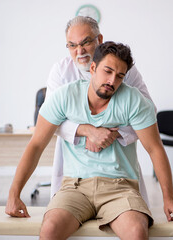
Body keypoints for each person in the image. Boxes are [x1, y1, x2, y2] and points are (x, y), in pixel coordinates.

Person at [6, 42, 173, 240]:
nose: (112, 81)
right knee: (49, 230)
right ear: (92, 68)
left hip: (120, 187)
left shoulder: (133, 100)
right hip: (75, 187)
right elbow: (36, 145)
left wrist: (170, 199)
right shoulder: (64, 96)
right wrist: (14, 195)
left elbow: (154, 149)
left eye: (120, 76)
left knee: (136, 232)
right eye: (107, 71)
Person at [47, 16, 152, 202]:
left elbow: (147, 112)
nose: (79, 51)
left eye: (85, 42)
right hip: (75, 170)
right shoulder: (61, 72)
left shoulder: (125, 69)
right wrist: (89, 131)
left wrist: (113, 133)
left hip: (118, 167)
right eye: (72, 45)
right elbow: (51, 122)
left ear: (99, 39)